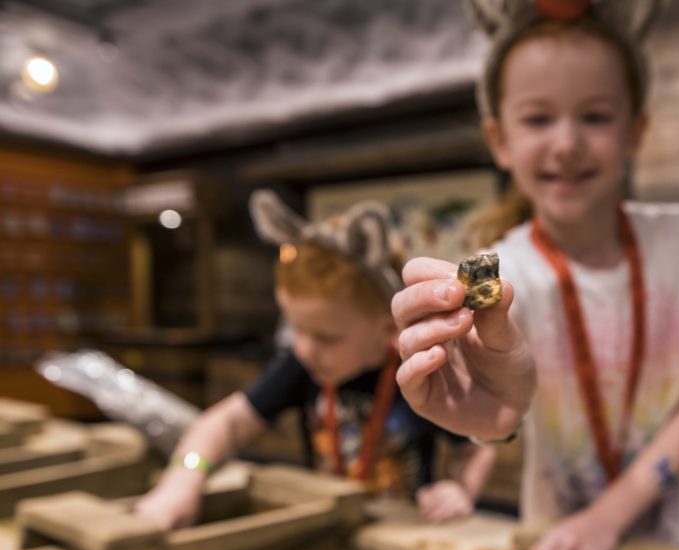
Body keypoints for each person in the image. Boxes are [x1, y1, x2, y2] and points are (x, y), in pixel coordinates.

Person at [391, 0, 679, 550]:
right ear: (499, 140)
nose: (566, 143)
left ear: (636, 131)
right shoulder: (503, 274)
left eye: (595, 116)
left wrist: (606, 518)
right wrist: (486, 420)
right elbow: (504, 399)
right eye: (537, 119)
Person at [135, 192, 492, 531]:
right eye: (294, 329)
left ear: (388, 327)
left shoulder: (423, 369)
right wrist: (183, 477)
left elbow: (475, 449)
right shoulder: (303, 365)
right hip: (329, 525)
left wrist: (460, 489)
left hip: (405, 531)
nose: (304, 349)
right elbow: (225, 423)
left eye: (326, 338)